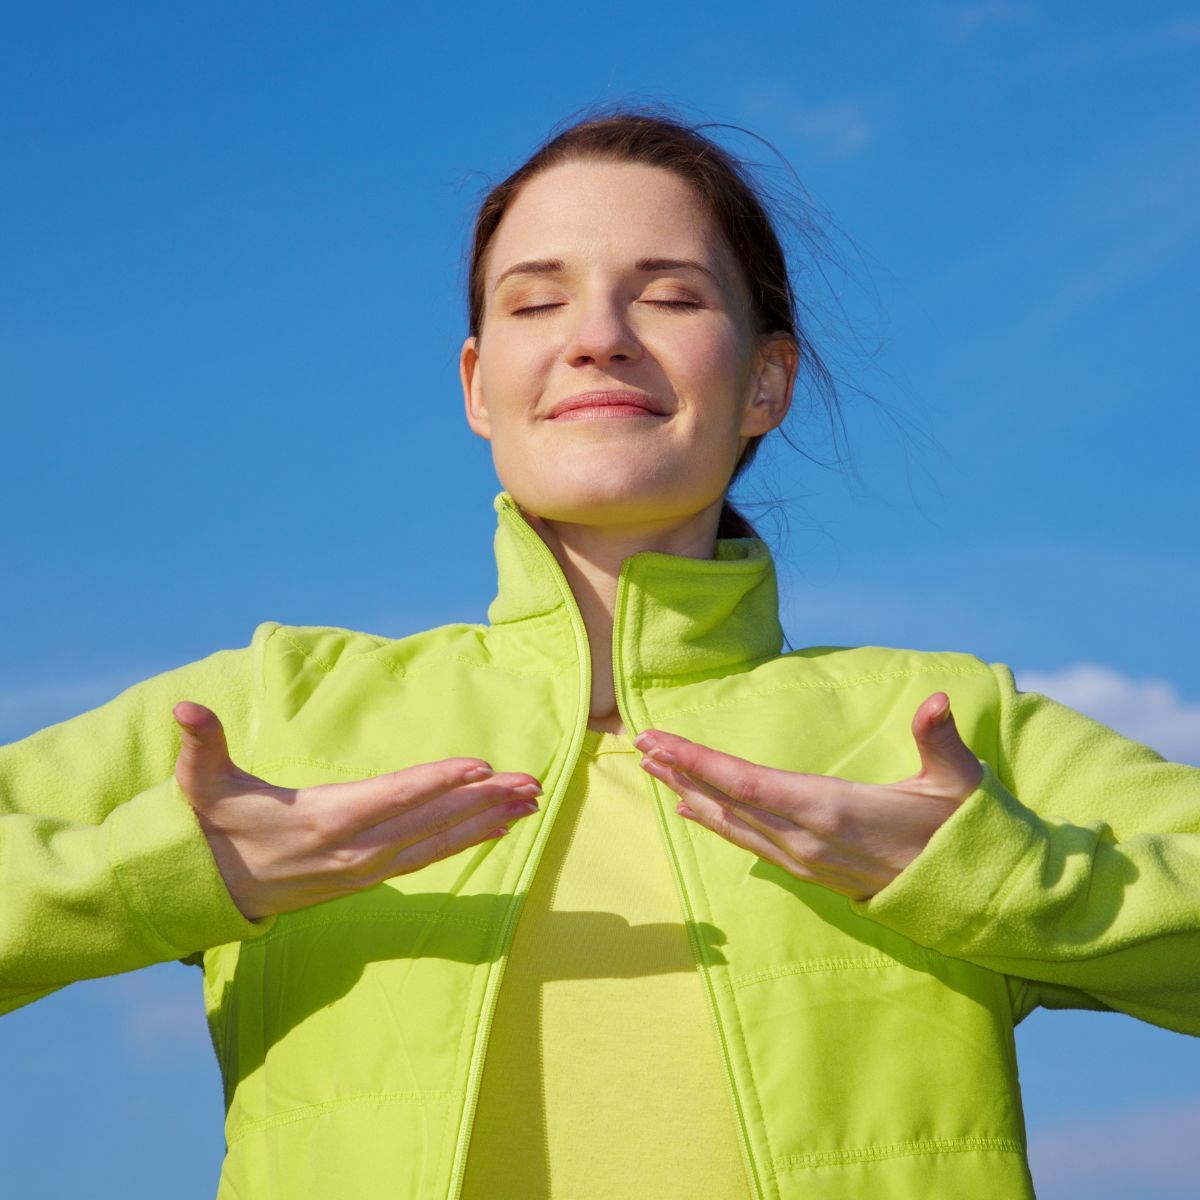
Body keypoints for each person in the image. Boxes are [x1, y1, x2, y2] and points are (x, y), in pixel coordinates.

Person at [2, 107, 1198, 1200]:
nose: (598, 339)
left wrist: (996, 881)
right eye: (534, 302)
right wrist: (170, 878)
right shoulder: (269, 709)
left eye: (670, 295)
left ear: (767, 381)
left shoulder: (936, 731)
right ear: (479, 386)